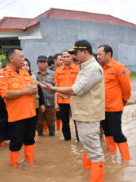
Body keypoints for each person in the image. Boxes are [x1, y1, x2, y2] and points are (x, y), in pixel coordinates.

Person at [41, 40, 105, 182]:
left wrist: (53, 89)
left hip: (89, 115)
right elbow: (76, 89)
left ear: (84, 52)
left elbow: (75, 90)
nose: (74, 56)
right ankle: (88, 175)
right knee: (87, 147)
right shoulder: (84, 67)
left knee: (95, 152)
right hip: (82, 113)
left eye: (75, 53)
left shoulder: (93, 69)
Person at [0, 48, 37, 167]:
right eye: (21, 57)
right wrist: (26, 91)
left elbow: (32, 88)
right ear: (11, 58)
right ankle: (14, 167)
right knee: (16, 142)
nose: (23, 60)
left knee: (30, 140)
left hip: (31, 113)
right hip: (17, 116)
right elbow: (6, 94)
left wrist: (33, 90)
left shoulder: (24, 72)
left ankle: (30, 164)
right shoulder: (2, 75)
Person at [97, 45, 131, 160]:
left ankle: (126, 160)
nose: (97, 57)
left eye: (100, 54)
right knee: (107, 132)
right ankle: (112, 156)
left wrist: (124, 101)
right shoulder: (99, 68)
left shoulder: (118, 67)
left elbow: (126, 87)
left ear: (109, 54)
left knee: (117, 133)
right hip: (102, 107)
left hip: (114, 107)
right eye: (97, 54)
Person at [53, 50, 79, 140]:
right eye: (64, 57)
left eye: (68, 56)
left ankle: (80, 140)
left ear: (72, 57)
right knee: (65, 122)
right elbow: (56, 87)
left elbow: (80, 86)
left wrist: (68, 95)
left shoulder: (78, 69)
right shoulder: (58, 70)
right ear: (61, 58)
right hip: (62, 101)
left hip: (75, 99)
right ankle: (67, 140)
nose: (66, 58)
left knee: (77, 121)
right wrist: (55, 103)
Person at [34, 56, 56, 136]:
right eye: (40, 62)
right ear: (37, 64)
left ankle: (52, 138)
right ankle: (39, 138)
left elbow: (56, 88)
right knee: (38, 123)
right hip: (38, 104)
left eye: (44, 62)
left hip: (50, 103)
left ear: (47, 63)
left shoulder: (53, 74)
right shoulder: (33, 75)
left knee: (51, 122)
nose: (42, 64)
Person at [22, 58, 45, 135]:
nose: (25, 67)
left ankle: (32, 142)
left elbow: (40, 91)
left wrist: (42, 104)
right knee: (24, 125)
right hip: (23, 106)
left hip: (34, 104)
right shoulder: (17, 77)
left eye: (27, 65)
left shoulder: (33, 76)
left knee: (33, 124)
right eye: (23, 65)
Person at [49, 53, 63, 131]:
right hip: (51, 97)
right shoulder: (50, 71)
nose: (62, 61)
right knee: (50, 116)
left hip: (62, 96)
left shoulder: (66, 70)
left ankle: (59, 130)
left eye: (62, 59)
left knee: (61, 116)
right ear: (55, 60)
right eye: (60, 59)